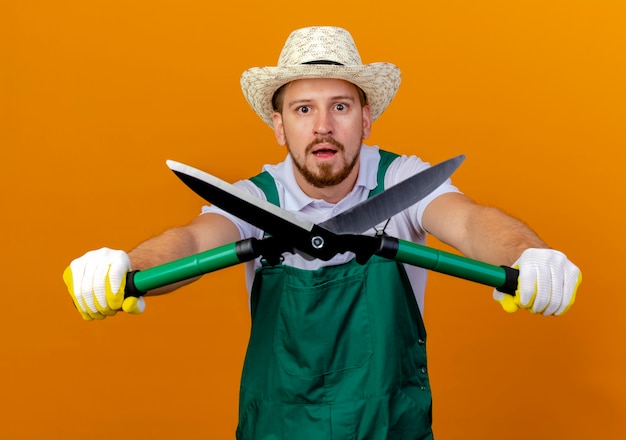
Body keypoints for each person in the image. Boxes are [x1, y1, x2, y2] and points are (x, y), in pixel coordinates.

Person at [64, 26, 582, 439]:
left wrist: (529, 254)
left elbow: (469, 220)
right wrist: (127, 268)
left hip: (389, 427)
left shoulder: (402, 184)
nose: (322, 127)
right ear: (279, 125)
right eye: (303, 109)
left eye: (340, 106)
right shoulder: (254, 199)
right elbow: (194, 241)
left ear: (366, 118)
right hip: (277, 429)